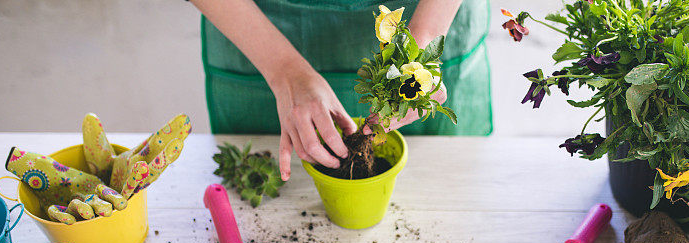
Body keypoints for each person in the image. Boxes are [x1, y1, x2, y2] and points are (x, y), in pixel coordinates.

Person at [190, 0, 492, 180]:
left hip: (431, 11)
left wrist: (424, 38)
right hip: (254, 23)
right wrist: (283, 69)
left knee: (449, 184)